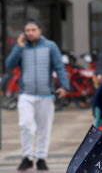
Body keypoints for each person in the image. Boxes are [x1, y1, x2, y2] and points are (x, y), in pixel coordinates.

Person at [5, 19, 69, 171]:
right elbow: (9, 65)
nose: (30, 33)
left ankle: (41, 158)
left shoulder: (50, 46)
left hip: (46, 95)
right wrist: (18, 47)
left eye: (33, 30)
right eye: (27, 30)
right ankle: (27, 157)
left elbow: (59, 67)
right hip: (26, 94)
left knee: (44, 128)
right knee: (25, 125)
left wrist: (64, 86)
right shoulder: (21, 48)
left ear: (40, 31)